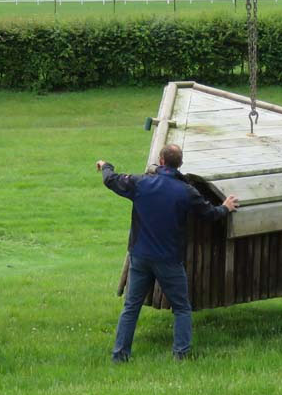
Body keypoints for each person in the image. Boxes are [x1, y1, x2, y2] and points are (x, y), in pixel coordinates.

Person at [97, 143, 238, 362]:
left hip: (140, 256)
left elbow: (110, 180)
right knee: (181, 308)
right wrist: (225, 208)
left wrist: (106, 165)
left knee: (131, 307)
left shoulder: (140, 183)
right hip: (169, 260)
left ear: (161, 161)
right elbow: (208, 214)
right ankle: (181, 355)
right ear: (179, 164)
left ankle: (120, 355)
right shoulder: (186, 191)